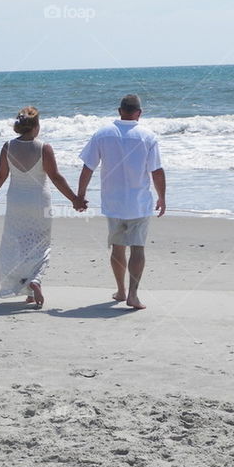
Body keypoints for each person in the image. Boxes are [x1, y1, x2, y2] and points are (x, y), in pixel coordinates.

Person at [0, 106, 87, 308]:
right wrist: (75, 199)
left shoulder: (7, 147)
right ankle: (35, 281)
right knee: (39, 244)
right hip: (39, 202)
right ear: (36, 126)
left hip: (16, 202)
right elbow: (55, 177)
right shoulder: (44, 147)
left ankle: (27, 288)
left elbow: (0, 175)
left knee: (17, 243)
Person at [77, 94, 166, 310]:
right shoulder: (147, 136)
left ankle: (121, 290)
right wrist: (162, 197)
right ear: (139, 113)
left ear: (119, 111)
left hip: (113, 202)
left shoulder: (103, 134)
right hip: (138, 202)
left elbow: (88, 167)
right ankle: (133, 295)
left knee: (118, 248)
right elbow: (156, 171)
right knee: (137, 248)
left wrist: (80, 195)